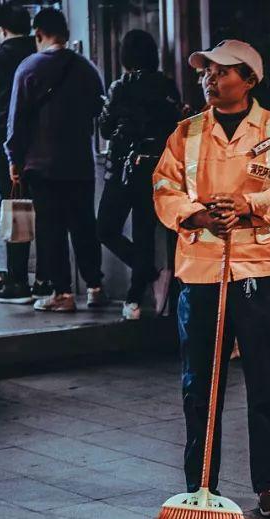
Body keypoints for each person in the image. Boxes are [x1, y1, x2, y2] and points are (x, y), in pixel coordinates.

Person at [152, 39, 270, 517]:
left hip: (260, 269)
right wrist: (197, 216)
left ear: (248, 78)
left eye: (221, 72)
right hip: (200, 270)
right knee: (198, 383)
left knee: (266, 376)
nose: (210, 79)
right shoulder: (186, 133)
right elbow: (164, 188)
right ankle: (201, 485)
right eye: (206, 72)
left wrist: (251, 205)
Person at [5, 8, 108, 312]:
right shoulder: (88, 69)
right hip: (80, 163)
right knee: (84, 225)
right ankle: (95, 286)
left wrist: (14, 157)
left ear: (38, 34)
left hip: (42, 166)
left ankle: (62, 294)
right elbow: (98, 112)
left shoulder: (29, 68)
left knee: (52, 230)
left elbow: (16, 119)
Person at [97, 30, 182, 321]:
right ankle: (133, 299)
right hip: (156, 168)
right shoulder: (168, 87)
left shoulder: (120, 86)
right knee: (145, 231)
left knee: (105, 228)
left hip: (123, 167)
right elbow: (175, 124)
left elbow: (105, 128)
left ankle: (145, 274)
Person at [0, 4, 37, 302]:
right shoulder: (39, 55)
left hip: (7, 142)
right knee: (46, 210)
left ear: (2, 30)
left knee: (15, 208)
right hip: (41, 144)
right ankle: (46, 278)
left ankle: (17, 281)